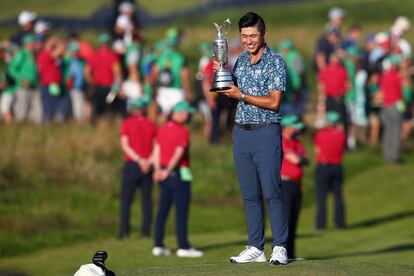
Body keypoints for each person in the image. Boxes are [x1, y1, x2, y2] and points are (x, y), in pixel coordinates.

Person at [215, 12, 289, 265]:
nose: (248, 41)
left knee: (271, 192)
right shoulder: (240, 62)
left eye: (253, 35)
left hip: (266, 132)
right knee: (249, 195)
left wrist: (242, 95)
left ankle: (279, 245)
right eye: (244, 36)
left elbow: (274, 102)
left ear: (264, 34)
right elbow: (232, 95)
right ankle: (256, 247)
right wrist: (222, 75)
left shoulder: (275, 62)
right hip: (242, 134)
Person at [152, 101, 203, 258]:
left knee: (162, 211)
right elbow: (178, 153)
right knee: (181, 212)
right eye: (187, 113)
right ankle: (183, 247)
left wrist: (157, 170)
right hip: (178, 174)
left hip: (164, 174)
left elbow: (156, 150)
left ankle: (158, 245)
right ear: (179, 113)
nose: (188, 115)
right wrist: (167, 171)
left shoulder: (162, 129)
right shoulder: (182, 131)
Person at [119, 97, 157, 239]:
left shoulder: (126, 123)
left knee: (126, 200)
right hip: (147, 165)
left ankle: (124, 232)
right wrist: (148, 161)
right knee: (146, 200)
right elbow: (156, 147)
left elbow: (125, 145)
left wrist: (139, 160)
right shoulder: (151, 125)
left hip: (132, 164)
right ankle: (145, 232)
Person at [280, 115, 308, 260]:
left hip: (296, 184)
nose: (297, 128)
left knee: (294, 220)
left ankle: (290, 254)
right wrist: (300, 158)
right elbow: (296, 159)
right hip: (285, 184)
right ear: (287, 127)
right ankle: (282, 252)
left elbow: (306, 158)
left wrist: (300, 158)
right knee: (286, 220)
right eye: (294, 125)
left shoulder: (296, 142)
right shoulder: (282, 141)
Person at [314, 111, 347, 230]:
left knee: (321, 197)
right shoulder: (342, 135)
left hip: (324, 166)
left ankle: (320, 224)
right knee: (338, 196)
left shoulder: (320, 134)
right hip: (337, 166)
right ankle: (340, 222)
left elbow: (317, 150)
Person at [85, 33, 122, 123]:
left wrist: (90, 82)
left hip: (97, 86)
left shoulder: (94, 55)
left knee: (96, 106)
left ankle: (93, 124)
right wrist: (118, 85)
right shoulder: (113, 56)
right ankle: (109, 124)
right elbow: (117, 72)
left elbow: (86, 71)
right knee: (109, 106)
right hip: (109, 86)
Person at [8, 34, 41, 124]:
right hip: (23, 87)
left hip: (34, 86)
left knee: (37, 111)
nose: (34, 45)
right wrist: (21, 79)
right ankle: (19, 130)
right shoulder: (21, 53)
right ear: (27, 43)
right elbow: (12, 69)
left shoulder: (33, 54)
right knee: (22, 110)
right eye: (32, 43)